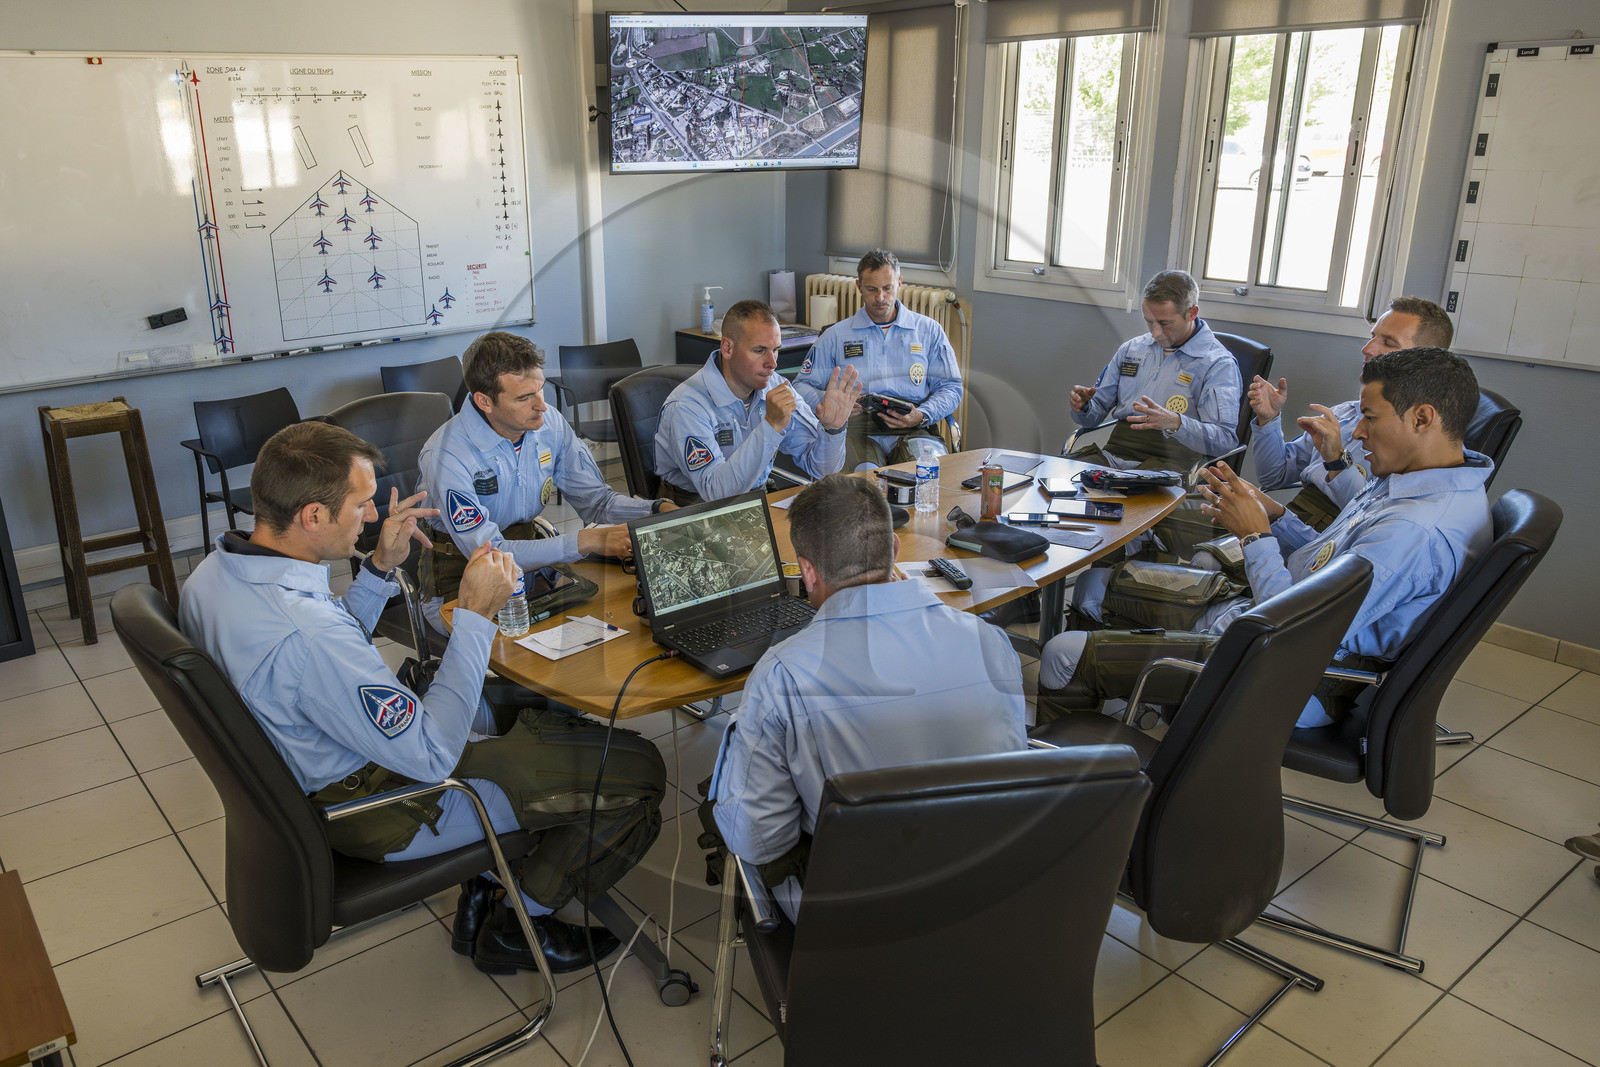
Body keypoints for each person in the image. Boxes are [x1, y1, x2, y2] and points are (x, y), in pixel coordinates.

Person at [180, 421, 667, 976]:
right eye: (362, 505)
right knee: (639, 771)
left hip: (318, 764)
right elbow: (432, 754)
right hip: (381, 804)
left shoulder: (215, 574)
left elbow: (315, 665)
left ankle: (483, 891)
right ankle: (518, 923)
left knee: (524, 706)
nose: (372, 517)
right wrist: (476, 617)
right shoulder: (308, 635)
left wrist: (381, 567)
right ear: (312, 515)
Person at [1039, 348, 1493, 730]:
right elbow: (1333, 556)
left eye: (1370, 417)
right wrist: (1276, 516)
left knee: (1062, 655)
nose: (1357, 432)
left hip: (1291, 673)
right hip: (1276, 625)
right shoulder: (1423, 480)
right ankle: (1120, 725)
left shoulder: (1415, 530)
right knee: (1114, 589)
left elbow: (1292, 633)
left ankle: (1063, 788)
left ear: (1423, 418)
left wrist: (1256, 535)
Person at [707, 474, 1029, 922]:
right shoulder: (989, 641)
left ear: (808, 570)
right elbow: (1012, 772)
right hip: (986, 895)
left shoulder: (783, 674)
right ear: (894, 550)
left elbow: (759, 840)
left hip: (860, 920)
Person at [416, 331, 672, 632]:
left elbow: (598, 502)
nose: (542, 405)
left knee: (606, 623)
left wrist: (657, 511)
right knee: (528, 650)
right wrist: (585, 540)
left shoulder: (548, 421)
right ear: (484, 401)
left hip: (530, 563)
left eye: (540, 389)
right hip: (463, 574)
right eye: (524, 398)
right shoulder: (446, 454)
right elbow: (492, 553)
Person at [1248, 296, 1455, 531]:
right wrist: (1269, 418)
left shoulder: (1417, 438)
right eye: (1373, 336)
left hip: (1333, 539)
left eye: (1388, 342)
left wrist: (1336, 459)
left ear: (1425, 359)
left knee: (1208, 559)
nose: (1367, 349)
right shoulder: (1346, 412)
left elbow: (1370, 516)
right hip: (1294, 521)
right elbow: (1274, 476)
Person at [794, 248, 963, 471]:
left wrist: (923, 415)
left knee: (923, 479)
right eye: (872, 289)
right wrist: (832, 401)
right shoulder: (835, 336)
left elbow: (951, 388)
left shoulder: (929, 331)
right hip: (856, 429)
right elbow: (800, 386)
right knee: (864, 487)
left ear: (900, 283)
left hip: (913, 426)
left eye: (887, 288)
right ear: (859, 287)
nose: (880, 297)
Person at [1066, 269, 1241, 471]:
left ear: (1192, 313)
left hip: (1172, 464)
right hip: (1115, 455)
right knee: (1063, 478)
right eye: (1149, 321)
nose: (1156, 333)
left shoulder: (1218, 364)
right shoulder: (1131, 350)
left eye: (1165, 323)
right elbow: (1092, 418)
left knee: (1128, 496)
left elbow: (1224, 441)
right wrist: (1084, 407)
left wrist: (1176, 423)